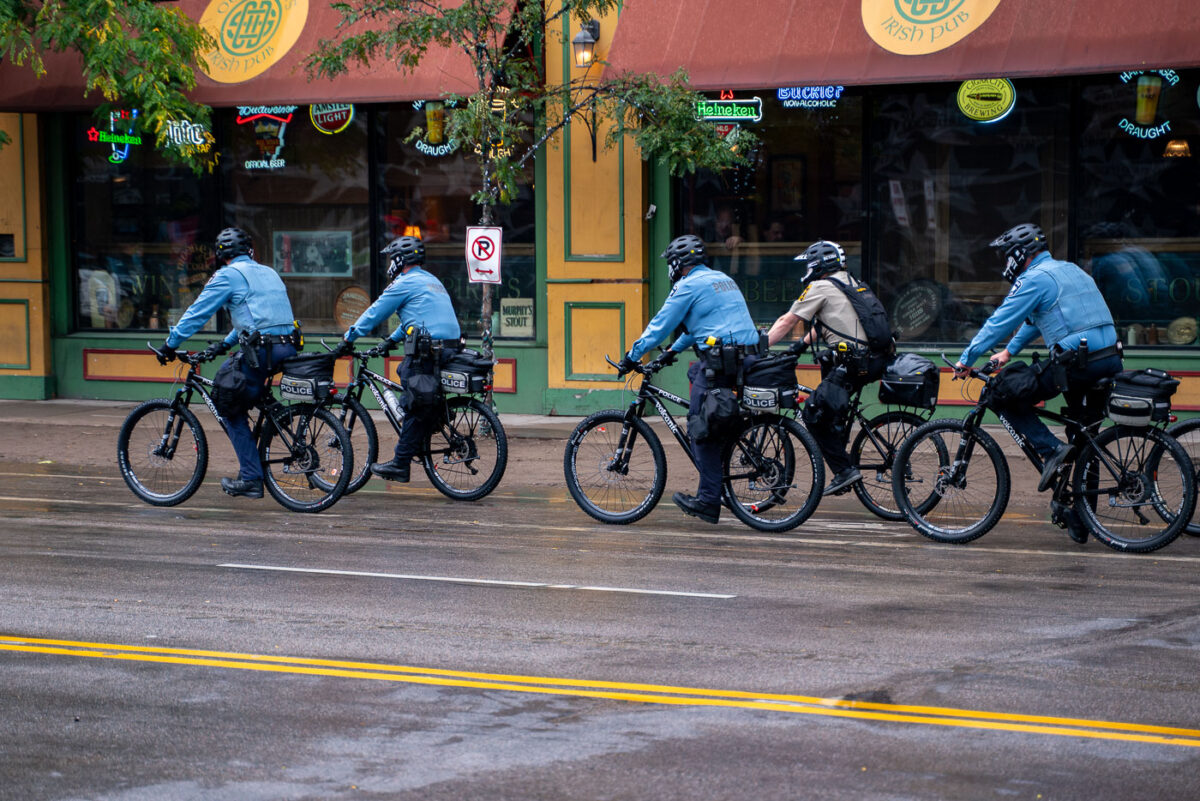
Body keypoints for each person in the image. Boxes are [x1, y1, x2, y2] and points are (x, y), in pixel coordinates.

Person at [954, 223, 1122, 508]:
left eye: (1007, 255)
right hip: (1109, 359)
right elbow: (1035, 320)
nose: (1005, 263)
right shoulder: (1070, 269)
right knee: (1084, 436)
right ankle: (1083, 518)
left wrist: (966, 360)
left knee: (1001, 394)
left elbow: (999, 322)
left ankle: (1050, 449)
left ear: (1021, 254)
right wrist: (1009, 352)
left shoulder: (1034, 278)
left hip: (1078, 364)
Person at [617, 233, 760, 524]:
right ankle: (718, 466)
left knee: (700, 429)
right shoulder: (720, 278)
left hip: (723, 361)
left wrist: (632, 356)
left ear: (678, 264)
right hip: (747, 356)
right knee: (694, 372)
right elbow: (701, 327)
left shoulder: (687, 286)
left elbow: (659, 326)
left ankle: (708, 500)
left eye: (671, 264)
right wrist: (670, 352)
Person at [159, 227, 298, 499]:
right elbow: (255, 320)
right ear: (250, 251)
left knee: (228, 404)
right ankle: (279, 426)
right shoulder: (269, 272)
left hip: (262, 351)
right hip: (287, 346)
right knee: (248, 393)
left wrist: (170, 344)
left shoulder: (228, 275)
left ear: (221, 255)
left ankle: (251, 478)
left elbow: (198, 312)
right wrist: (224, 344)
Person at [335, 235, 462, 483]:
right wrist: (390, 341)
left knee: (413, 399)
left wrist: (348, 338)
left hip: (429, 351)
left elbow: (375, 312)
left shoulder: (404, 283)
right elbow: (414, 319)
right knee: (413, 383)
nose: (389, 264)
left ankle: (400, 464)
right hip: (449, 348)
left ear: (400, 260)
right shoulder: (431, 280)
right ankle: (424, 426)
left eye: (391, 259)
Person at [766, 240, 883, 496]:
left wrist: (760, 344)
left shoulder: (820, 286)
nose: (807, 267)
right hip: (875, 359)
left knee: (813, 413)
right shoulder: (852, 282)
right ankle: (840, 452)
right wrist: (799, 346)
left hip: (853, 362)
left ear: (819, 264)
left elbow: (788, 320)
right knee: (831, 408)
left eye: (810, 262)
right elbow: (829, 324)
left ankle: (844, 471)